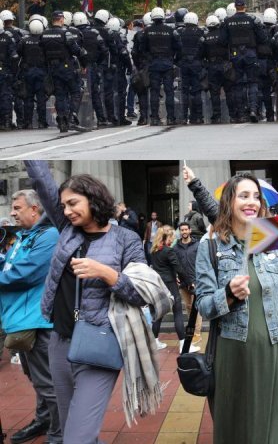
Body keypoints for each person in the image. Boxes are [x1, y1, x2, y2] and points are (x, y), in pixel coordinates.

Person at [24, 160, 167, 442]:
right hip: (60, 341)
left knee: (77, 437)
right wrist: (31, 153)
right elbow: (42, 182)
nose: (66, 211)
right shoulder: (67, 229)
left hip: (100, 341)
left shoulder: (126, 238)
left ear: (93, 198)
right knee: (72, 431)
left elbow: (142, 293)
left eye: (73, 203)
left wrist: (107, 274)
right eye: (63, 205)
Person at [194, 174, 278, 443]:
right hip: (233, 357)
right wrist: (228, 295)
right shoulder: (209, 247)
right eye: (244, 196)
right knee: (238, 433)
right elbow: (205, 307)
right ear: (229, 201)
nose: (252, 202)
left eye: (256, 197)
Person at [2, 190, 62, 444]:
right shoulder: (25, 236)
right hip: (22, 319)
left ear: (35, 209)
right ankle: (43, 420)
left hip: (37, 321)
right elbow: (9, 268)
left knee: (49, 383)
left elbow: (22, 274)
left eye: (17, 208)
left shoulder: (49, 235)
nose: (12, 212)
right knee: (36, 378)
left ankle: (59, 435)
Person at [149, 225, 189, 351]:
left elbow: (162, 268)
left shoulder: (154, 250)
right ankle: (183, 344)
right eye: (171, 237)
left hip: (158, 284)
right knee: (178, 312)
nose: (173, 240)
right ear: (166, 237)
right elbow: (179, 269)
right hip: (170, 284)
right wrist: (187, 281)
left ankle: (154, 342)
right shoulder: (168, 251)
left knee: (158, 313)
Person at [173, 222, 202, 349]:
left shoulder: (197, 245)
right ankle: (191, 328)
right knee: (188, 306)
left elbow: (202, 261)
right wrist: (176, 277)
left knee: (197, 307)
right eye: (182, 230)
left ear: (190, 230)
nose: (184, 231)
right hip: (183, 282)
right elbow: (174, 263)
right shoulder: (176, 247)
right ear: (180, 231)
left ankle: (197, 333)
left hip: (196, 279)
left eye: (186, 229)